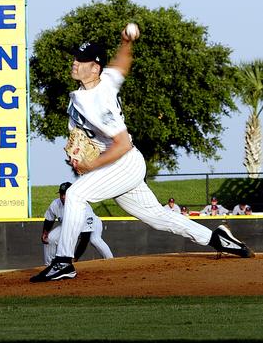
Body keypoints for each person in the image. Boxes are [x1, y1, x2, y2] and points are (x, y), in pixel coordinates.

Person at [30, 28, 254, 283]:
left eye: (81, 60)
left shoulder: (97, 101)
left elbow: (123, 143)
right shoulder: (103, 81)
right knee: (158, 218)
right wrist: (126, 42)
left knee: (75, 194)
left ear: (94, 68)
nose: (75, 62)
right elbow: (121, 66)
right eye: (76, 58)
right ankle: (217, 238)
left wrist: (93, 164)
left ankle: (63, 262)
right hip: (119, 166)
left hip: (122, 164)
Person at [41, 182, 113, 265]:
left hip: (92, 224)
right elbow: (49, 219)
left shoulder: (84, 208)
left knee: (94, 239)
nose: (63, 197)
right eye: (61, 194)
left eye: (65, 194)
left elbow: (85, 239)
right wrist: (45, 232)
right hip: (69, 225)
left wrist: (75, 258)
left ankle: (111, 261)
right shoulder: (56, 204)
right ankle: (49, 266)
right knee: (50, 238)